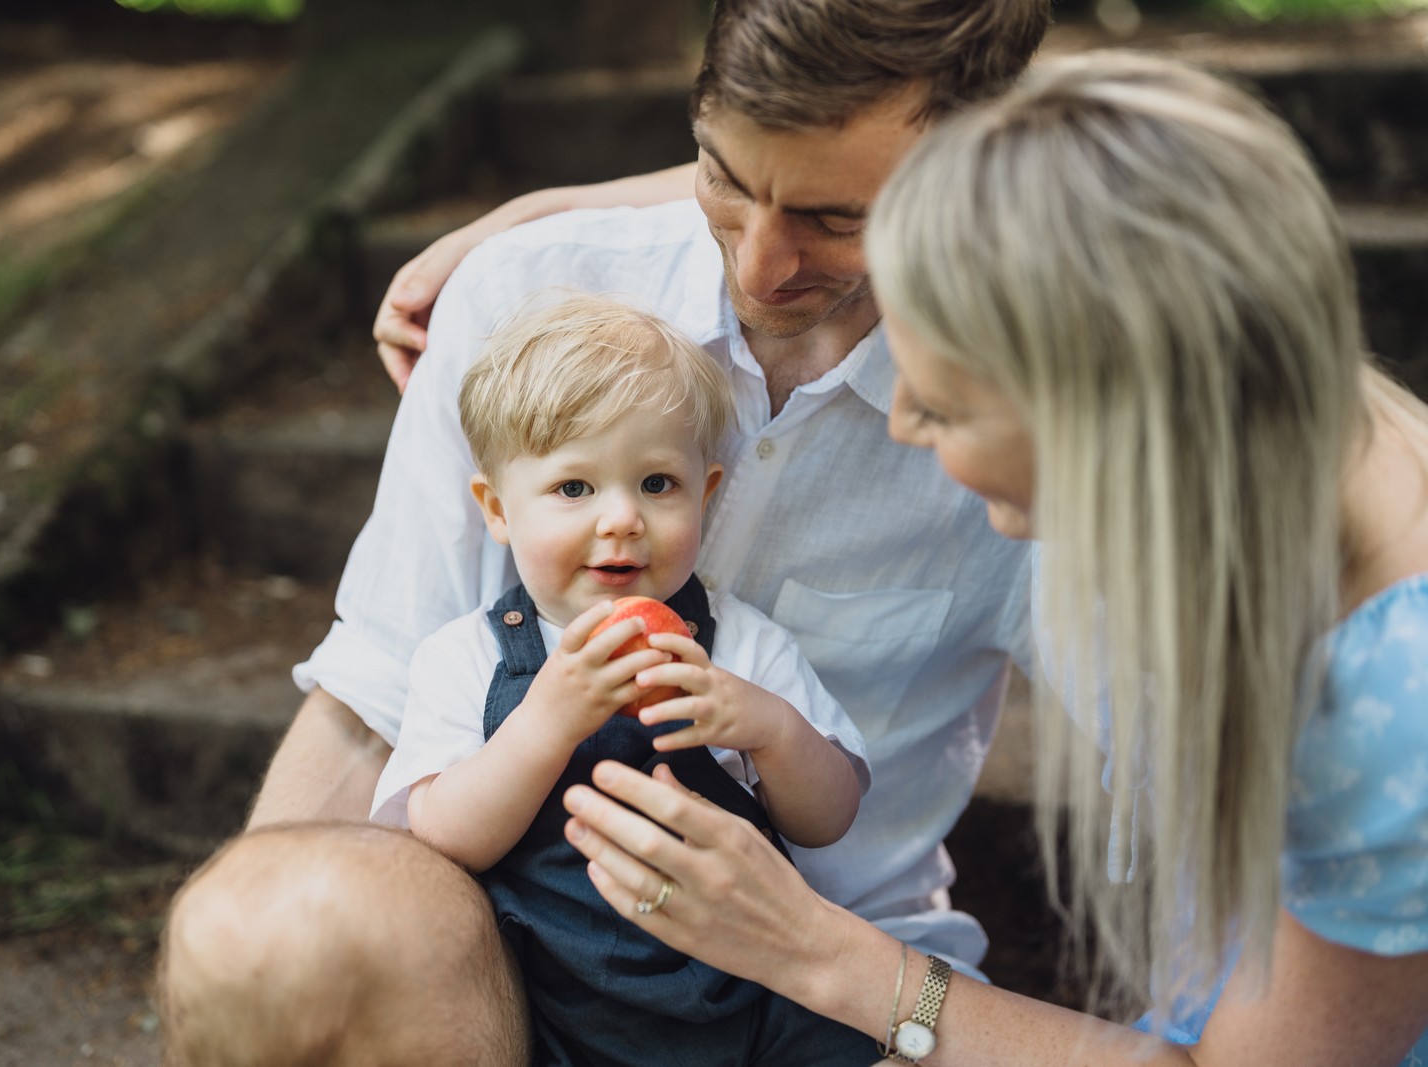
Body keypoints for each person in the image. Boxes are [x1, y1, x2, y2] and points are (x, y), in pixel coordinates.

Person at [159, 1, 1047, 1062]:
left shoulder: (1043, 412)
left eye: (834, 216)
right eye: (722, 174)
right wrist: (257, 975)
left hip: (829, 969)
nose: (762, 267)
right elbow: (377, 687)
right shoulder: (530, 292)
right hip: (510, 947)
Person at [554, 50, 1428, 1065]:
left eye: (945, 401)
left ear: (1106, 406)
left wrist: (805, 945)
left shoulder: (1388, 709)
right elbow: (1101, 168)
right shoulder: (1281, 393)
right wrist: (540, 216)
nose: (906, 426)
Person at [372, 291, 876, 1064]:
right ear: (498, 509)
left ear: (705, 493)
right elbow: (440, 836)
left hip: (755, 990)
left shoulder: (739, 643)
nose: (621, 519)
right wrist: (545, 720)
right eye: (574, 488)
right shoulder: (464, 657)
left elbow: (829, 815)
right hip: (560, 1009)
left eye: (656, 484)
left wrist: (769, 729)